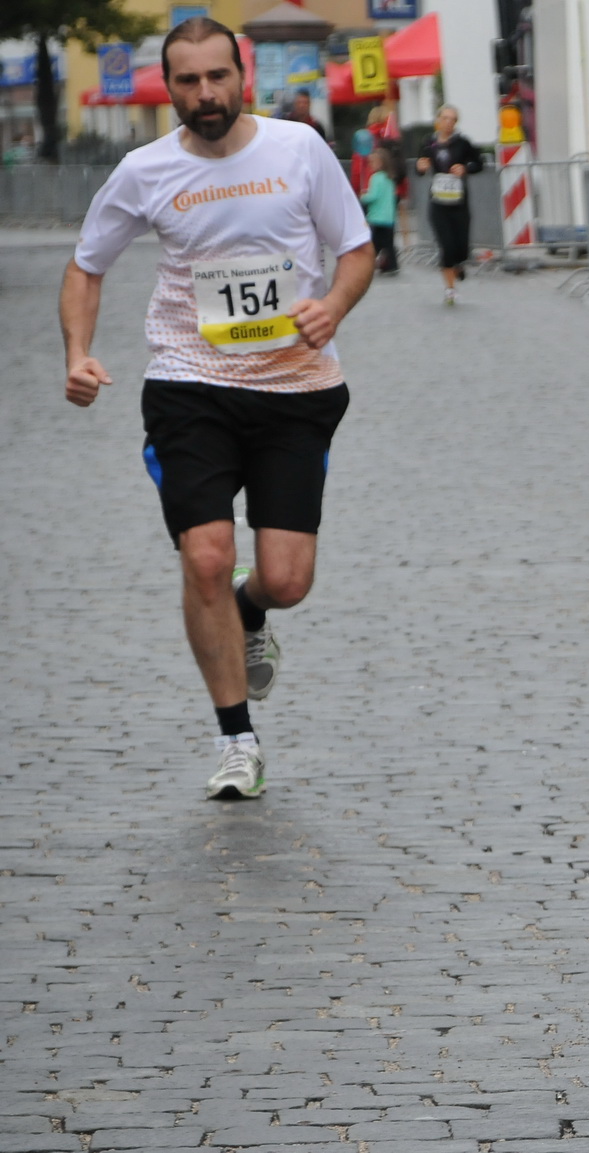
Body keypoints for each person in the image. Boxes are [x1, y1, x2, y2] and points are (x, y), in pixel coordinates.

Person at [59, 17, 373, 801]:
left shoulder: (298, 149)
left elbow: (356, 249)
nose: (206, 93)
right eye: (189, 80)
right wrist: (77, 352)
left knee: (286, 580)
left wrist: (333, 305)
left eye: (218, 76)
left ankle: (248, 608)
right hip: (189, 384)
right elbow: (87, 265)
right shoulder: (144, 170)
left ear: (244, 77)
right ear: (169, 88)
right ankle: (237, 739)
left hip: (295, 389)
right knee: (203, 554)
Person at [416, 104, 484, 305]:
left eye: (452, 119)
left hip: (459, 203)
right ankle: (450, 289)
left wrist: (465, 168)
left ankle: (458, 263)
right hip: (438, 203)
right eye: (445, 118)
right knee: (446, 246)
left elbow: (479, 163)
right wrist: (421, 167)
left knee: (461, 247)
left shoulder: (462, 143)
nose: (448, 123)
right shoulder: (429, 143)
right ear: (438, 120)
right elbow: (420, 167)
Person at [360, 146, 398, 274]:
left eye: (372, 162)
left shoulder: (375, 178)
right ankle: (392, 265)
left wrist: (363, 196)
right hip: (389, 218)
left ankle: (367, 265)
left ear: (380, 163)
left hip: (376, 217)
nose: (370, 165)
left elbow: (373, 196)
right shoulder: (390, 178)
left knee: (373, 245)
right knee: (389, 245)